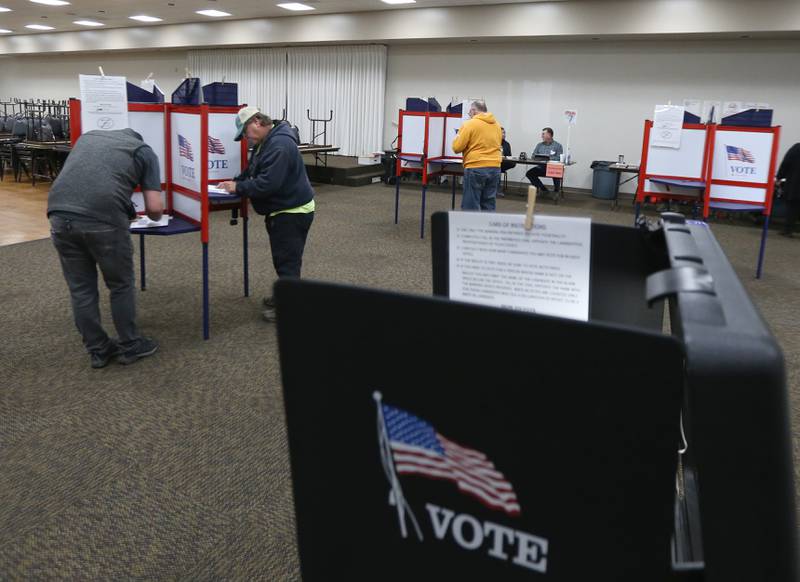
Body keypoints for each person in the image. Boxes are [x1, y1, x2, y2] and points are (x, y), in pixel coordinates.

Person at [47, 128, 163, 368]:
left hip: (59, 213)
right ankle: (130, 345)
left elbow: (85, 181)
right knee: (120, 284)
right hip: (103, 221)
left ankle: (98, 350)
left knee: (81, 289)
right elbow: (155, 209)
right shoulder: (144, 152)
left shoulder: (88, 137)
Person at [217, 107, 315, 322]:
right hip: (285, 207)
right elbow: (254, 170)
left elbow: (268, 184)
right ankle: (287, 296)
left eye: (245, 132)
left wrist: (238, 188)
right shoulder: (266, 143)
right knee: (283, 258)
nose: (246, 138)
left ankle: (290, 307)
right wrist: (236, 181)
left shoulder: (279, 145)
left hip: (292, 210)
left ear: (257, 121)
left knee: (287, 261)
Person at [451, 100, 502, 211]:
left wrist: (457, 136)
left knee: (471, 205)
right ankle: (486, 227)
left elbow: (456, 148)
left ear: (474, 110)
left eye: (470, 110)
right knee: (488, 204)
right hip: (495, 167)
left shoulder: (469, 124)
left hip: (476, 167)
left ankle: (471, 228)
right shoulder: (497, 125)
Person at [525, 127, 564, 196]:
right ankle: (543, 189)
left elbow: (559, 158)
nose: (541, 136)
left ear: (549, 135)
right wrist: (539, 158)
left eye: (543, 134)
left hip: (553, 168)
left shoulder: (558, 146)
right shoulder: (539, 145)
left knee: (557, 172)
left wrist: (548, 159)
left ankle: (556, 191)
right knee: (529, 173)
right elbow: (533, 156)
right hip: (541, 167)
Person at [777, 142, 800, 237]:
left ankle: (787, 230)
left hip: (795, 185)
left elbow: (786, 162)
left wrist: (779, 177)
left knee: (792, 208)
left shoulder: (796, 148)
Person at [499, 127, 516, 196]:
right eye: (502, 133)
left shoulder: (506, 144)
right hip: (493, 162)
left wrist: (503, 155)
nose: (503, 134)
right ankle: (496, 189)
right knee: (497, 169)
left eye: (504, 133)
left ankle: (497, 189)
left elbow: (509, 155)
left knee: (513, 163)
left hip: (503, 162)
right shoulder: (493, 142)